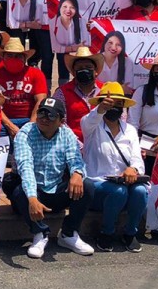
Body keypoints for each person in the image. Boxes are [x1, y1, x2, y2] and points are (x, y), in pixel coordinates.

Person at [9, 97, 95, 258]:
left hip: (56, 188)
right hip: (36, 191)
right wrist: (33, 199)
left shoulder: (67, 133)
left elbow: (76, 159)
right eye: (41, 113)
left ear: (61, 121)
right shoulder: (25, 133)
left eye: (50, 115)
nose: (44, 119)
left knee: (87, 185)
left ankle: (68, 234)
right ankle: (40, 233)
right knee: (20, 192)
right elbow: (25, 166)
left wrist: (77, 173)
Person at [81, 82, 146, 252]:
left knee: (140, 191)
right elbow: (89, 121)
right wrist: (101, 109)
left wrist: (134, 169)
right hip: (97, 183)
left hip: (124, 181)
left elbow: (137, 159)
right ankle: (106, 233)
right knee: (118, 192)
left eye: (119, 104)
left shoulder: (130, 130)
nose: (114, 108)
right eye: (110, 103)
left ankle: (131, 232)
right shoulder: (92, 126)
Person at [0, 39, 48, 136]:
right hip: (4, 121)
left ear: (24, 58)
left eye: (18, 56)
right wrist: (10, 126)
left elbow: (41, 100)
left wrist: (31, 125)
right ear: (3, 57)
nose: (14, 58)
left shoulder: (36, 74)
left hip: (29, 118)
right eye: (10, 55)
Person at [52, 47, 105, 142]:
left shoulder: (106, 90)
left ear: (96, 71)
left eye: (88, 68)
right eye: (80, 68)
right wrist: (78, 145)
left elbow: (118, 119)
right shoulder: (61, 92)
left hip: (103, 144)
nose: (84, 70)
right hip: (72, 145)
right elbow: (60, 123)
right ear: (74, 73)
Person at [7, 0, 51, 81]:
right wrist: (27, 24)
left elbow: (38, 24)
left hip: (34, 32)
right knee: (17, 51)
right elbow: (12, 21)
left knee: (37, 53)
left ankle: (34, 74)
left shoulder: (37, 3)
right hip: (16, 30)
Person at [49, 0, 89, 68]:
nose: (68, 10)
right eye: (65, 7)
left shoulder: (81, 22)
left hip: (75, 57)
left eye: (72, 7)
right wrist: (74, 48)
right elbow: (55, 47)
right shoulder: (52, 23)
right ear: (59, 8)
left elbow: (85, 44)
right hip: (64, 53)